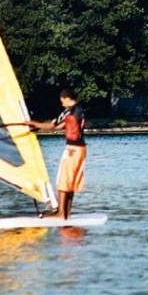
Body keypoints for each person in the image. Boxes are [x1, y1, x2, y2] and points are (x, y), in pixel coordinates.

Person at [23, 90, 89, 220]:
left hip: (72, 150)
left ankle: (60, 214)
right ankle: (66, 213)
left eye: (62, 100)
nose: (61, 103)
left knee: (62, 181)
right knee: (70, 181)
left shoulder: (68, 111)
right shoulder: (80, 110)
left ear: (66, 98)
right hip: (81, 149)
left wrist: (34, 124)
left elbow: (53, 126)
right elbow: (62, 126)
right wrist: (38, 127)